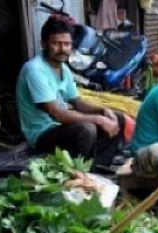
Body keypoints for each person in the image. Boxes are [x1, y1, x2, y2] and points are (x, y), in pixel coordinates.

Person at [16, 17, 123, 171]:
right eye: (56, 43)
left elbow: (78, 103)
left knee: (116, 117)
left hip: (59, 127)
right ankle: (79, 173)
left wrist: (103, 111)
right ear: (44, 44)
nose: (62, 49)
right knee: (86, 129)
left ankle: (97, 168)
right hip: (41, 134)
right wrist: (98, 119)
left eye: (66, 44)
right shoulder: (34, 70)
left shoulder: (63, 69)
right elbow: (56, 114)